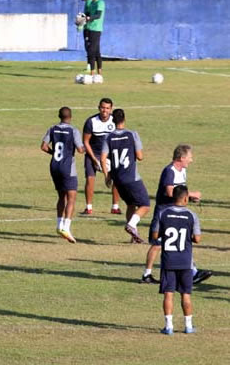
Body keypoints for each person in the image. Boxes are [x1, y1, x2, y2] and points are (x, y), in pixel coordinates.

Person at [141, 145, 212, 285]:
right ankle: (147, 274)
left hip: (176, 211)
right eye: (189, 157)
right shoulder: (169, 171)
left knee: (182, 240)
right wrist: (191, 194)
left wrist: (189, 198)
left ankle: (193, 272)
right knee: (157, 244)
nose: (191, 160)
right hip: (164, 212)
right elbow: (169, 191)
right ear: (181, 158)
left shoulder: (183, 171)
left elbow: (179, 192)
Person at [152, 185, 201, 335]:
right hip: (185, 261)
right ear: (186, 198)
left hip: (168, 261)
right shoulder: (191, 215)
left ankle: (168, 327)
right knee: (186, 294)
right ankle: (188, 326)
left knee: (168, 293)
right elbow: (197, 239)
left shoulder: (163, 213)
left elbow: (155, 236)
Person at [101, 109, 150, 243]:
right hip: (131, 178)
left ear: (113, 120)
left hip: (118, 179)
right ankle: (131, 225)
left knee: (130, 204)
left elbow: (103, 158)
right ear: (124, 119)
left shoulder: (108, 137)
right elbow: (140, 157)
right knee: (145, 204)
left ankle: (133, 237)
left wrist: (107, 176)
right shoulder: (132, 134)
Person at [41, 107, 85, 243]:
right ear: (70, 117)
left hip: (54, 166)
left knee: (61, 196)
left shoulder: (52, 128)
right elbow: (80, 149)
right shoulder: (74, 131)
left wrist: (53, 153)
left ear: (59, 116)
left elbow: (43, 146)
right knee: (71, 197)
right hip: (67, 167)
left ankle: (59, 225)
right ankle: (66, 227)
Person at [82, 98, 121, 215]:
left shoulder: (115, 120)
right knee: (90, 179)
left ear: (111, 109)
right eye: (103, 108)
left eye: (107, 108)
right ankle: (88, 207)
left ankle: (115, 207)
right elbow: (86, 142)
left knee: (116, 180)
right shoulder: (91, 121)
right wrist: (94, 159)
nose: (105, 110)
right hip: (93, 154)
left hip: (110, 156)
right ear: (99, 108)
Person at [85, 0, 105, 77]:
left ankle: (92, 73)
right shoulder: (92, 3)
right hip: (89, 28)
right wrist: (82, 18)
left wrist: (90, 18)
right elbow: (88, 13)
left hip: (96, 29)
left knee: (91, 50)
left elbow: (98, 15)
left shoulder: (100, 3)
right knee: (96, 51)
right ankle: (99, 72)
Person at [80, 0, 92, 71]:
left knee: (89, 46)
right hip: (86, 27)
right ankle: (89, 65)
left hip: (89, 28)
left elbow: (88, 14)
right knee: (87, 46)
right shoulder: (87, 2)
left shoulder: (89, 2)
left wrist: (81, 20)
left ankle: (90, 65)